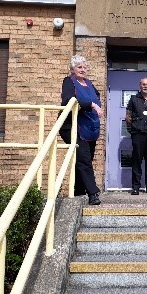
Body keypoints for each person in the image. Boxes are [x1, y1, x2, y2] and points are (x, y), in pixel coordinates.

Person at [59, 55, 103, 205]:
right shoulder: (68, 81)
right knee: (84, 160)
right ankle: (93, 193)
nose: (82, 70)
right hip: (71, 126)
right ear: (72, 69)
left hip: (89, 127)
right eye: (79, 67)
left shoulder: (89, 83)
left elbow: (97, 96)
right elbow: (68, 100)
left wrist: (96, 103)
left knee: (84, 159)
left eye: (84, 67)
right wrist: (90, 104)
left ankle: (79, 191)